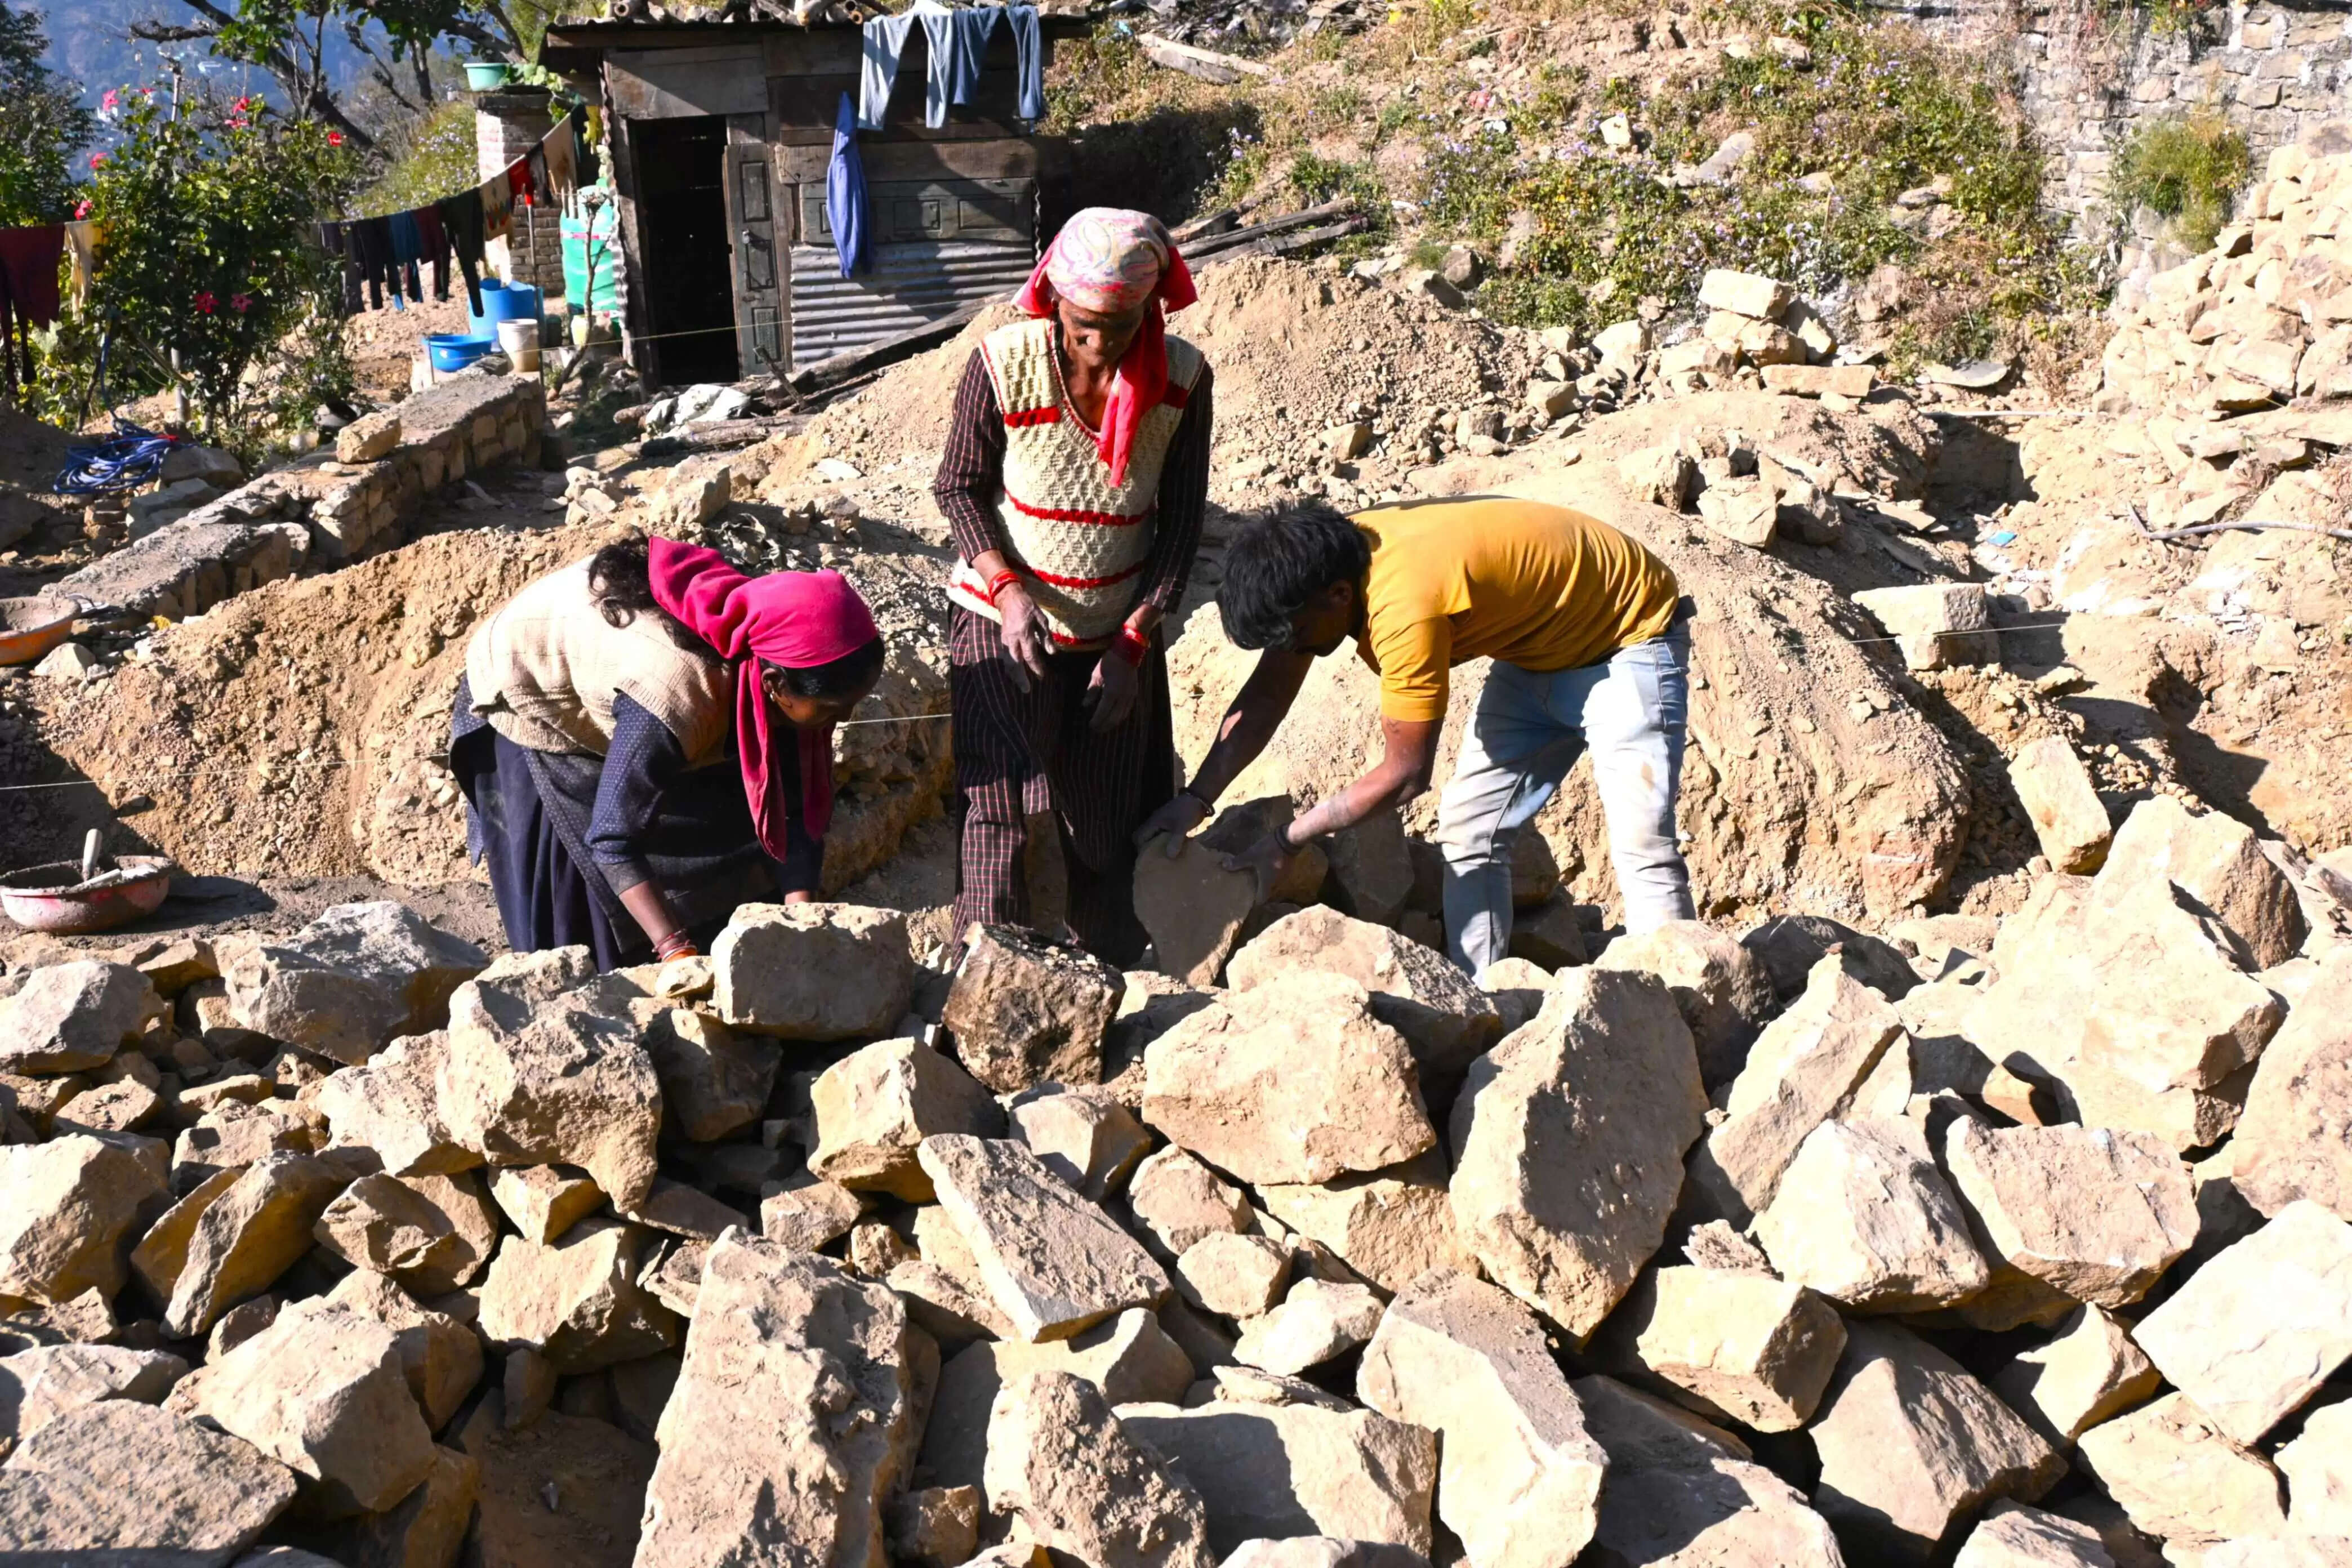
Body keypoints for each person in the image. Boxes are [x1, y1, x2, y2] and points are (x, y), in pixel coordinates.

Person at [1137, 496, 1695, 977]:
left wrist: (1286, 842)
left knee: (1643, 845)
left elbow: (1406, 774)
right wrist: (1196, 798)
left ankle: (1682, 1013)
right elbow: (1265, 698)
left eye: (1299, 635)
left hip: (1628, 638)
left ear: (1338, 596)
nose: (1294, 649)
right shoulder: (1321, 566)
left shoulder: (1403, 610)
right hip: (1538, 652)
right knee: (1471, 829)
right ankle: (1484, 996)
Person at [932, 206, 1215, 963]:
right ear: (1054, 298)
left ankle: (1108, 975)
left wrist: (1132, 642)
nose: (1100, 343)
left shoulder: (1182, 379)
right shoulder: (1003, 363)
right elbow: (958, 487)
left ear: (1149, 311)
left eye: (1121, 326)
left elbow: (1181, 525)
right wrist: (1007, 592)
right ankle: (981, 970)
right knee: (999, 807)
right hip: (999, 620)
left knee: (1103, 824)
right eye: (1085, 324)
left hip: (1114, 636)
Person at [449, 534, 884, 970]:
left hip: (637, 685)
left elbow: (793, 808)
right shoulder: (674, 694)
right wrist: (677, 954)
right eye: (832, 708)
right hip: (532, 684)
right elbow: (612, 839)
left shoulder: (784, 660)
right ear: (773, 685)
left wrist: (800, 922)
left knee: (726, 821)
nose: (845, 717)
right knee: (586, 901)